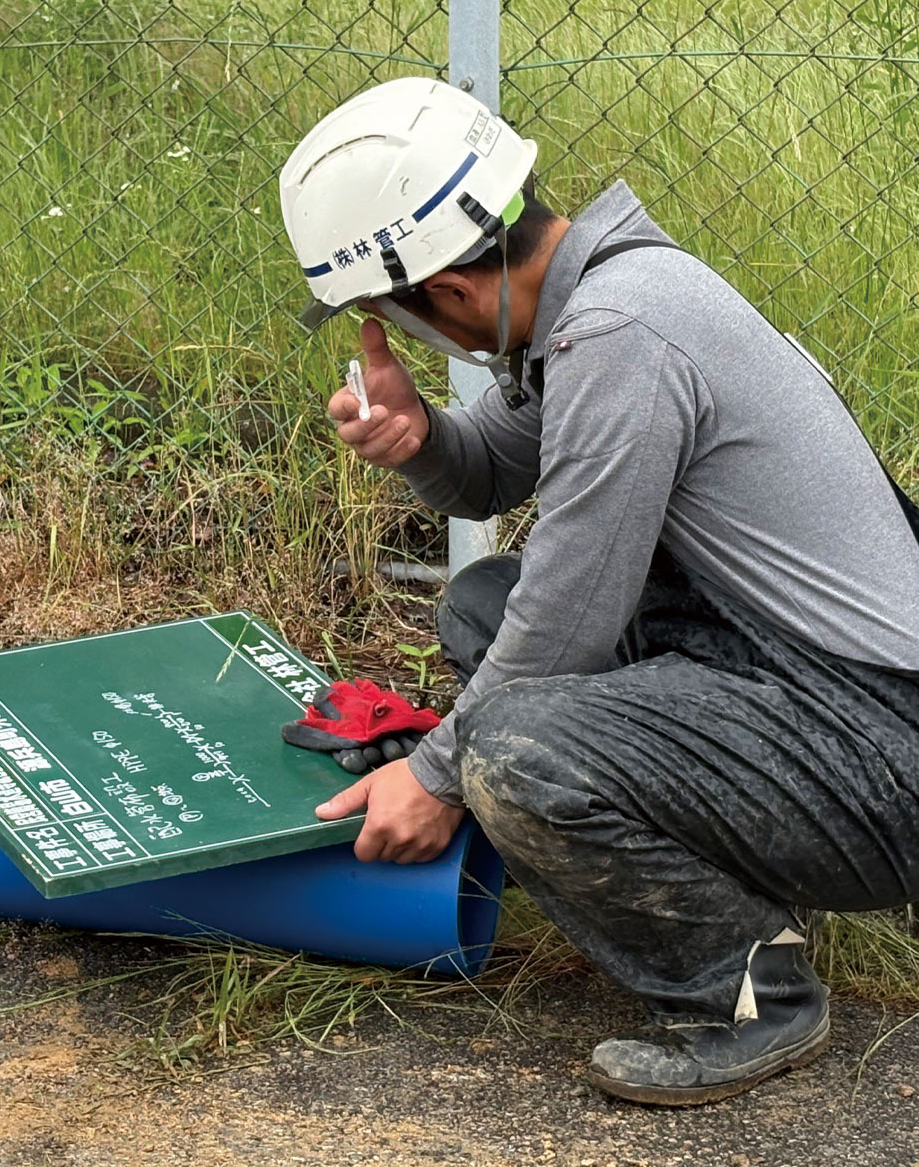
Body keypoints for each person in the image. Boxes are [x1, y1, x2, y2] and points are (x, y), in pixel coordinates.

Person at [277, 76, 919, 1106]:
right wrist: (420, 440)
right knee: (482, 606)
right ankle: (715, 884)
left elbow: (567, 624)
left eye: (383, 311)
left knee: (512, 748)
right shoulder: (607, 295)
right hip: (803, 682)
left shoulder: (620, 334)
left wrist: (435, 775)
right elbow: (491, 468)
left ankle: (752, 996)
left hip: (880, 742)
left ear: (441, 290)